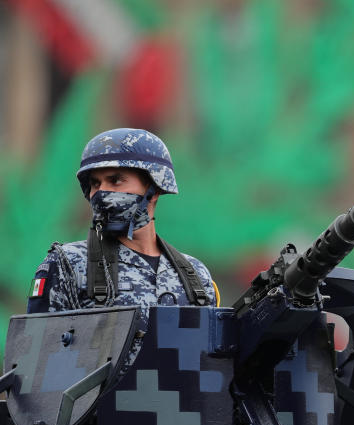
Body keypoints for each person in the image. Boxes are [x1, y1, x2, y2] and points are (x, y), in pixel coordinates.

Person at [27, 128, 218, 318]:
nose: (102, 192)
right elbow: (36, 344)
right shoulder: (66, 264)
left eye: (115, 180)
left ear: (154, 188)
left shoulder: (196, 276)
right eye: (95, 183)